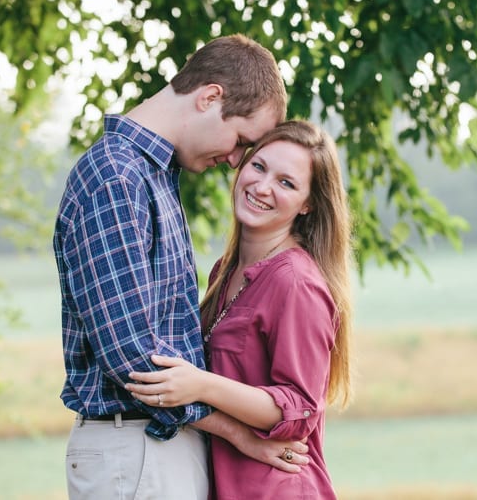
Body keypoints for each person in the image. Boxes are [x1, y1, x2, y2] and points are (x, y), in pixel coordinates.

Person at [53, 34, 309, 500]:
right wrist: (236, 431)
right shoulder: (116, 176)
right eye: (241, 142)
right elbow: (135, 360)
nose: (236, 161)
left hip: (152, 447)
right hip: (134, 448)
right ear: (210, 97)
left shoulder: (153, 175)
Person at [126, 120, 354, 499]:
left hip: (277, 489)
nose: (262, 187)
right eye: (259, 166)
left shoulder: (294, 281)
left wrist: (201, 384)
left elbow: (298, 410)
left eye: (287, 183)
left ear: (308, 204)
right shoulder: (225, 272)